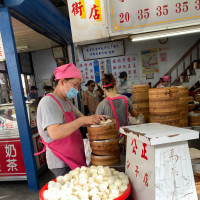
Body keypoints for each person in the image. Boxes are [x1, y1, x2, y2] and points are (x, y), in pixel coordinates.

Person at [35, 63, 107, 177]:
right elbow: (55, 133)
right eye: (75, 84)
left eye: (78, 85)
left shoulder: (66, 101)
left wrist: (95, 119)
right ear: (62, 81)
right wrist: (82, 121)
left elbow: (82, 118)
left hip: (73, 156)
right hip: (61, 161)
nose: (77, 89)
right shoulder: (48, 103)